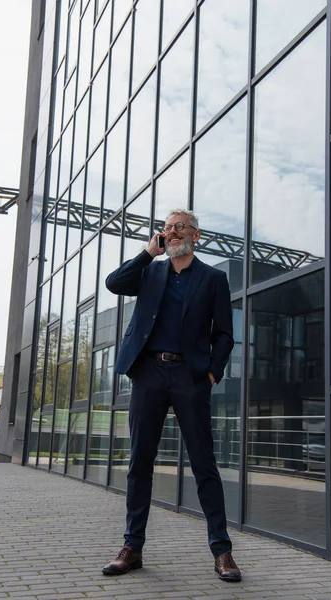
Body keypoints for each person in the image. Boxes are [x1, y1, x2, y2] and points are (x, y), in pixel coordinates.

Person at [102, 209, 241, 582]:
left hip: (190, 376)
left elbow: (225, 333)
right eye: (166, 228)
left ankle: (222, 551)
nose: (171, 232)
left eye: (179, 227)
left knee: (204, 464)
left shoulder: (213, 278)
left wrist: (213, 370)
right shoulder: (150, 271)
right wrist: (149, 252)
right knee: (139, 463)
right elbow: (114, 283)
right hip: (148, 373)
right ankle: (132, 548)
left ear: (196, 236)